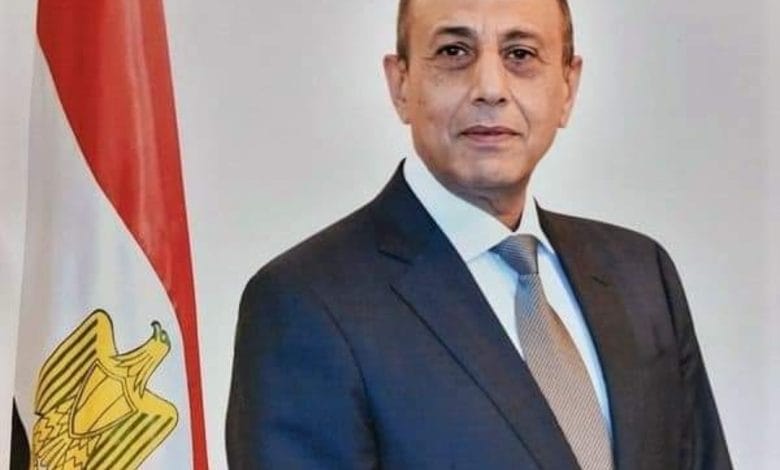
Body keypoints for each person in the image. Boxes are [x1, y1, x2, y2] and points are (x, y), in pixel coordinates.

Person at [226, 0, 732, 468]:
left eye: (520, 54)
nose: (490, 88)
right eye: (454, 52)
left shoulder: (642, 274)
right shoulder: (305, 304)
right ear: (401, 85)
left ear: (568, 87)